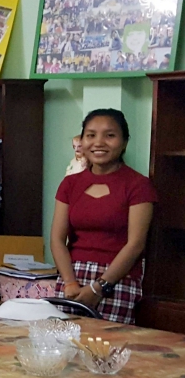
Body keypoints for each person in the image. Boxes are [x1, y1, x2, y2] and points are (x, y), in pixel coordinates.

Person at [51, 109, 156, 324]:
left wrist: (99, 287)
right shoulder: (70, 184)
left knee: (107, 351)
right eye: (90, 135)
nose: (99, 143)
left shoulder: (138, 185)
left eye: (110, 135)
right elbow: (57, 239)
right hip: (72, 276)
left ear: (124, 142)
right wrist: (70, 282)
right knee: (64, 349)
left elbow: (135, 245)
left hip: (117, 279)